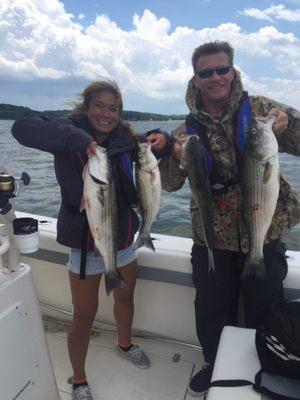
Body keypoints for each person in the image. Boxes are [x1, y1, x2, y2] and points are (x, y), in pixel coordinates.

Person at [11, 79, 169, 400]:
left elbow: (149, 150)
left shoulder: (125, 137)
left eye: (113, 108)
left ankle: (125, 343)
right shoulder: (65, 132)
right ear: (86, 107)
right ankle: (79, 379)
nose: (106, 114)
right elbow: (21, 128)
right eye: (99, 106)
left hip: (122, 237)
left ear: (120, 113)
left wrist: (163, 139)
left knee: (125, 297)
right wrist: (78, 139)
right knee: (84, 313)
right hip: (86, 242)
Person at [158, 41, 300, 397]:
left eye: (222, 69)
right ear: (196, 79)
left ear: (233, 71)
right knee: (211, 309)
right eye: (206, 72)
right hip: (212, 239)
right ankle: (213, 363)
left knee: (265, 307)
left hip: (263, 232)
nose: (215, 77)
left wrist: (288, 126)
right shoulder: (185, 130)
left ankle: (262, 365)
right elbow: (172, 184)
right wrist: (171, 154)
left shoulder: (262, 109)